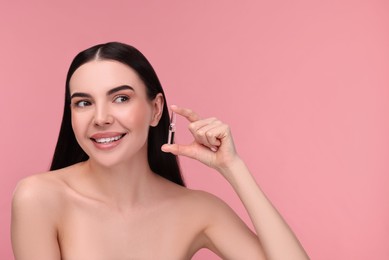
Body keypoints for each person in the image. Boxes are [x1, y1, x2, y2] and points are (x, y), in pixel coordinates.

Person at [11, 42, 309, 259]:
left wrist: (233, 167)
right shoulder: (39, 197)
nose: (100, 118)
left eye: (120, 98)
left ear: (156, 110)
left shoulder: (199, 210)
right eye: (83, 103)